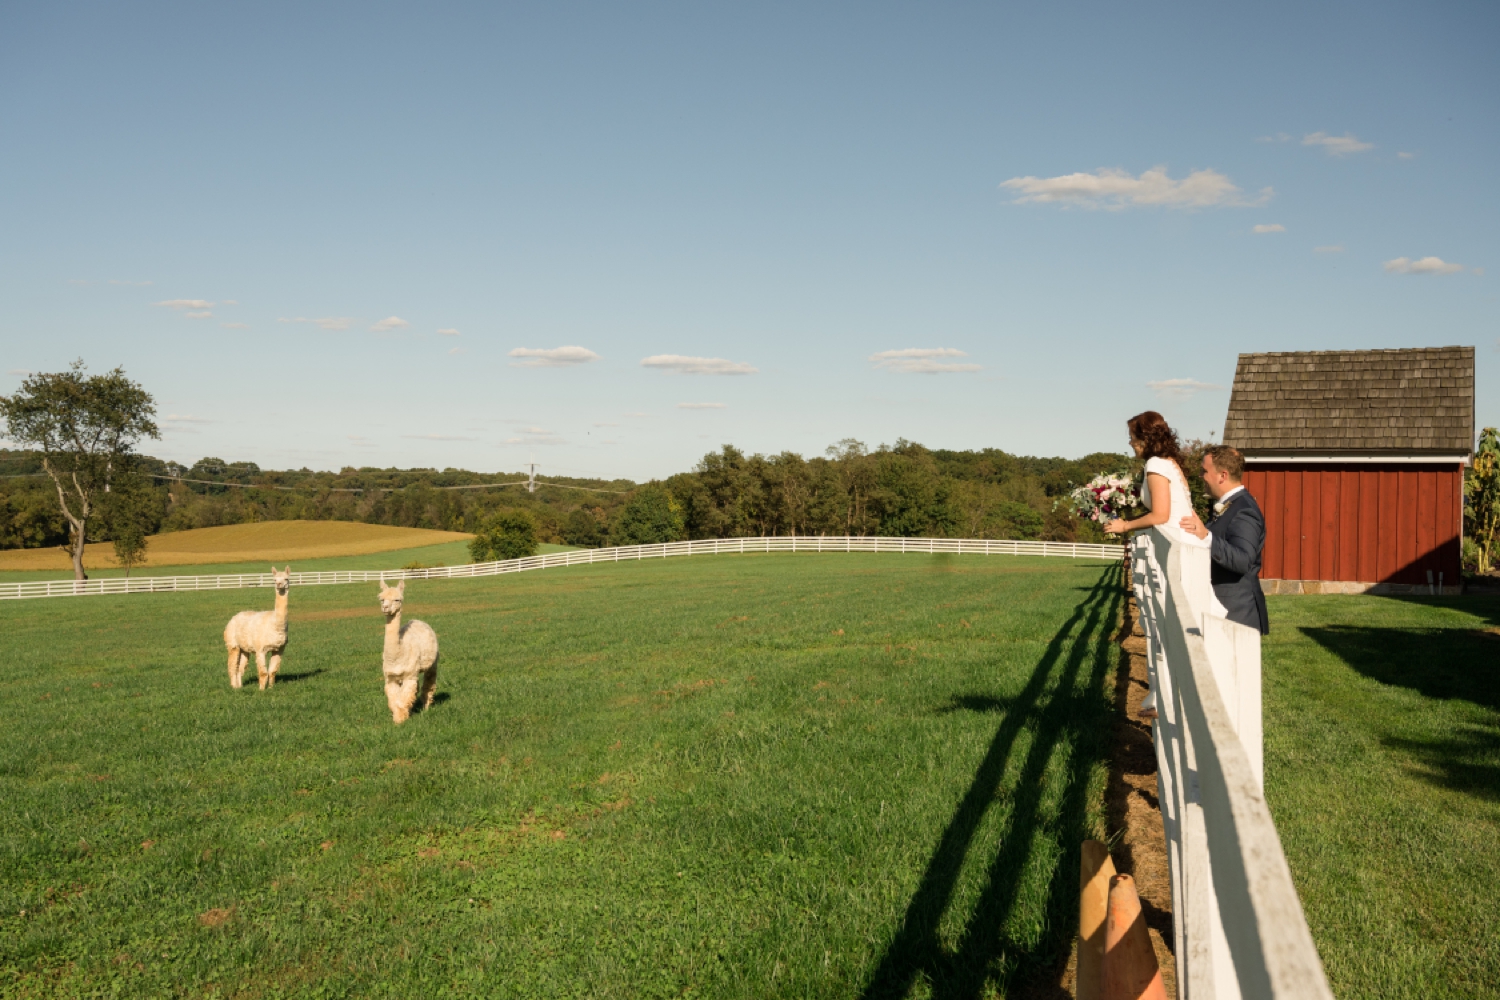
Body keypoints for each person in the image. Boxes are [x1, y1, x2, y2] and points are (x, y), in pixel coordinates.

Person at [1103, 411, 1194, 719]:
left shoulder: (1156, 465)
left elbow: (1161, 516)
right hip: (1181, 547)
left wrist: (1124, 526)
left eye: (1132, 437)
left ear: (1145, 438)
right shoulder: (1171, 464)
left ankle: (1167, 694)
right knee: (1169, 624)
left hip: (1173, 552)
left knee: (1167, 624)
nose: (1130, 443)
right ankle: (1168, 691)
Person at [1178, 445, 1269, 635]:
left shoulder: (1244, 510)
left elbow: (1243, 560)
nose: (1202, 476)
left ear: (1222, 475)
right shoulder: (1230, 505)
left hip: (1237, 614)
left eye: (1205, 471)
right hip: (1225, 610)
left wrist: (1206, 536)